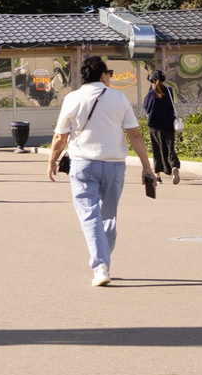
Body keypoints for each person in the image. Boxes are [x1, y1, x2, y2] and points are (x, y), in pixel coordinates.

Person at [46, 56, 148, 286]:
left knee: (89, 215)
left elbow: (60, 136)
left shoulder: (72, 98)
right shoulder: (119, 98)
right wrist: (146, 166)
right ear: (103, 76)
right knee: (108, 216)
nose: (110, 77)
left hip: (83, 164)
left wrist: (52, 161)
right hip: (114, 165)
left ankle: (101, 265)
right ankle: (103, 261)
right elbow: (135, 135)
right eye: (109, 74)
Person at [143, 72, 179, 183]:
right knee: (170, 147)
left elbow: (147, 109)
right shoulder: (169, 91)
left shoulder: (151, 94)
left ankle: (158, 177)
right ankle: (174, 167)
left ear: (153, 81)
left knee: (157, 149)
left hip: (154, 126)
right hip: (168, 124)